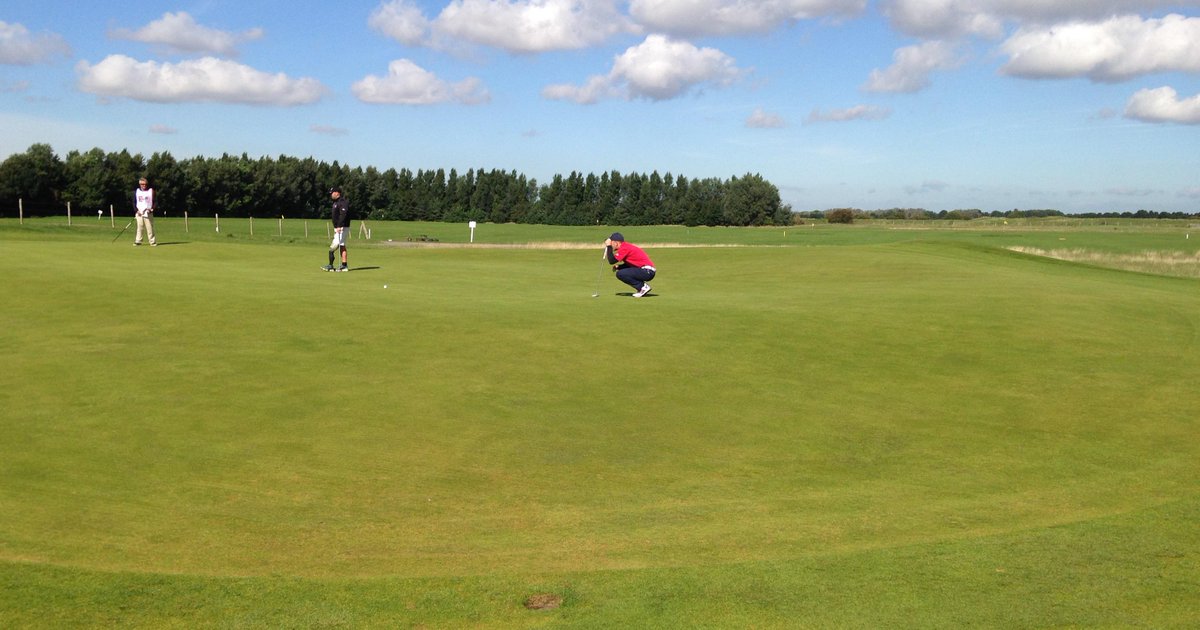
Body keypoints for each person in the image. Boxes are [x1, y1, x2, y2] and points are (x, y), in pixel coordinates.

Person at [604, 232, 656, 297]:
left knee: (620, 274)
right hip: (646, 271)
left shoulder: (624, 248)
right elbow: (631, 264)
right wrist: (619, 267)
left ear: (616, 243)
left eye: (611, 243)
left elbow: (611, 261)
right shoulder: (625, 246)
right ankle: (642, 288)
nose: (611, 245)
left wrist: (608, 246)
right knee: (622, 272)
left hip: (647, 271)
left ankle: (643, 287)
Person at [323, 186, 350, 272]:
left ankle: (331, 265)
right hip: (339, 227)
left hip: (342, 227)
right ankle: (344, 265)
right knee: (342, 245)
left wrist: (339, 225)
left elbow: (343, 214)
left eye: (332, 193)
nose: (331, 194)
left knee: (333, 247)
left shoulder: (343, 202)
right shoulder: (335, 203)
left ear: (337, 193)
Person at [133, 177, 156, 246]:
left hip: (148, 212)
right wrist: (136, 210)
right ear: (140, 184)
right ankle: (138, 241)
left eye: (145, 184)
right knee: (140, 227)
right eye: (142, 184)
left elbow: (155, 202)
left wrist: (152, 209)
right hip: (139, 213)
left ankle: (152, 241)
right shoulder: (137, 191)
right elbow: (134, 202)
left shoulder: (151, 191)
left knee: (149, 228)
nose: (144, 185)